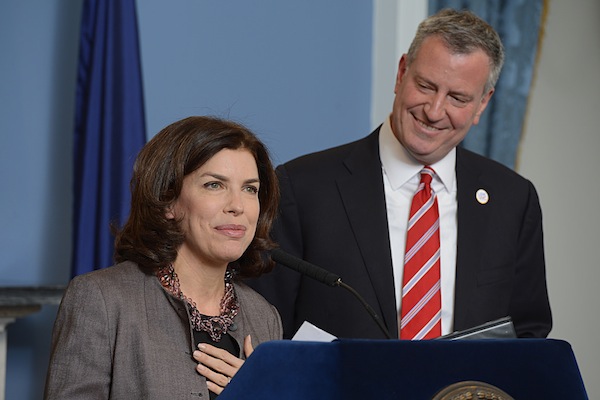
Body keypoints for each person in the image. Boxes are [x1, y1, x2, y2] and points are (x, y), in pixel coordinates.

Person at [249, 9, 551, 340]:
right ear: (401, 73)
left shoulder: (513, 200)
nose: (434, 112)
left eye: (458, 98)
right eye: (425, 85)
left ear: (482, 103)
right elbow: (264, 326)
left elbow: (528, 334)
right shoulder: (302, 187)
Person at [45, 116, 283, 399]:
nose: (237, 206)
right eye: (214, 185)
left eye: (250, 189)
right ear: (168, 200)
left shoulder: (264, 317)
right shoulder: (102, 299)